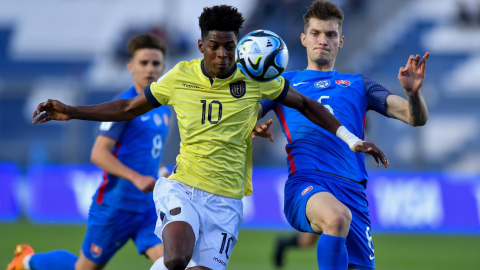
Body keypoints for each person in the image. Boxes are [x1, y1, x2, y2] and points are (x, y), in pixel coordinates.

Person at [29, 5, 387, 270]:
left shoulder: (255, 79)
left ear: (237, 46)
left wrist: (350, 139)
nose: (222, 54)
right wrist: (71, 110)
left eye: (229, 47)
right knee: (178, 258)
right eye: (215, 46)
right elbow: (128, 107)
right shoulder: (179, 77)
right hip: (183, 187)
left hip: (227, 202)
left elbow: (307, 104)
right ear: (201, 45)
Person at [256, 1, 429, 269]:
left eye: (330, 34)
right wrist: (250, 125)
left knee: (347, 235)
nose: (322, 40)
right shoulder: (283, 83)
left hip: (353, 193)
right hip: (307, 184)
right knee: (336, 217)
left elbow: (415, 118)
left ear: (341, 40)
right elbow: (248, 112)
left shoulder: (360, 84)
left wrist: (413, 94)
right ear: (303, 38)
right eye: (315, 33)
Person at [7, 34, 171, 270]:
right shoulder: (122, 106)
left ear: (164, 67)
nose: (150, 68)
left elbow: (149, 154)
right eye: (143, 63)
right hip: (115, 207)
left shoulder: (163, 109)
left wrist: (162, 172)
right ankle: (27, 260)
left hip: (147, 208)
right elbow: (98, 154)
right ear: (130, 67)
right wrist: (136, 177)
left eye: (155, 63)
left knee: (170, 262)